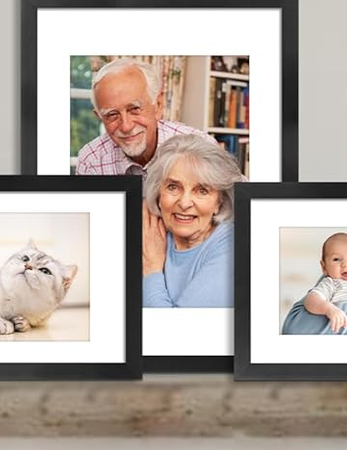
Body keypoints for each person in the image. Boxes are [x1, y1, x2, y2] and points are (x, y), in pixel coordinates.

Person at [141, 133, 243, 309]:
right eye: (173, 187)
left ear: (219, 202)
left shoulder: (232, 247)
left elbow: (175, 326)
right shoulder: (150, 232)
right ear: (158, 194)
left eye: (202, 190)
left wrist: (151, 268)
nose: (184, 203)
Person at [75, 58, 209, 176]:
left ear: (158, 105)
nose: (126, 127)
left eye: (134, 109)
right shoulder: (91, 161)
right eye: (112, 115)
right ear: (99, 117)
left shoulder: (201, 147)